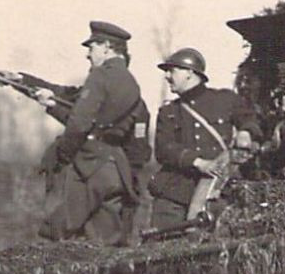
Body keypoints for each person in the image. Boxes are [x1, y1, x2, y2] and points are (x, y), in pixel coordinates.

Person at [33, 21, 147, 245]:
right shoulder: (131, 84)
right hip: (115, 169)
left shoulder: (100, 76)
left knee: (58, 232)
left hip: (88, 167)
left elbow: (79, 123)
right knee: (106, 240)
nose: (88, 55)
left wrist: (64, 155)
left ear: (106, 47)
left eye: (91, 47)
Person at [148, 48, 260, 230]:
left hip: (217, 193)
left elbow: (250, 119)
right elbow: (164, 149)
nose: (167, 76)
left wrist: (246, 132)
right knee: (162, 245)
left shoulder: (225, 100)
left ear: (190, 73)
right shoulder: (169, 111)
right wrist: (198, 163)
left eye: (172, 71)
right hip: (175, 194)